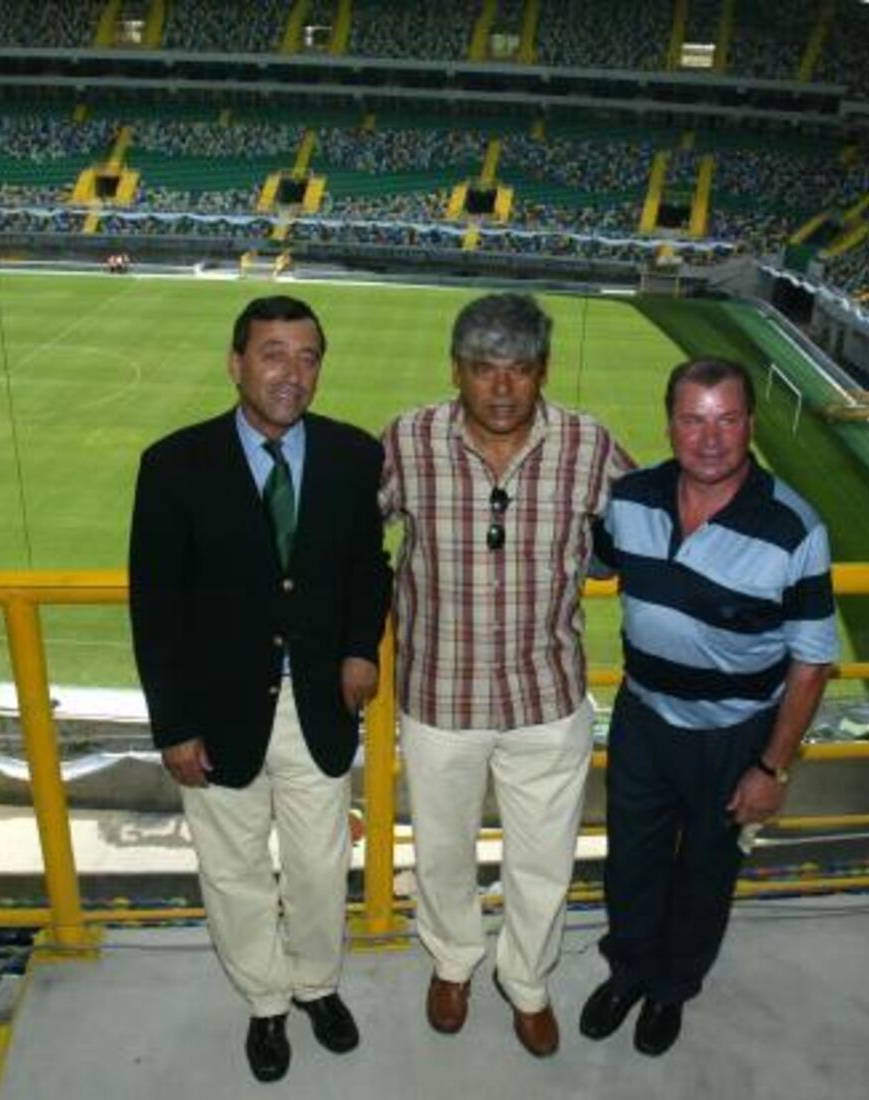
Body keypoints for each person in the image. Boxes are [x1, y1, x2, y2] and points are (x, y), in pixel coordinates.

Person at [128, 295, 391, 1083]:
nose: (292, 373)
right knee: (233, 870)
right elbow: (156, 604)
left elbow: (364, 566)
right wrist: (172, 723)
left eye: (308, 357)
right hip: (214, 714)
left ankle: (317, 985)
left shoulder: (352, 454)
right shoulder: (173, 463)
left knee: (319, 865)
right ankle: (267, 1003)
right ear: (236, 362)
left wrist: (358, 651)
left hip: (319, 706)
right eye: (273, 353)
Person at [379, 292, 633, 1058]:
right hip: (438, 694)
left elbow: (648, 523)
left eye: (518, 369)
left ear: (542, 370)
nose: (500, 387)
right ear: (455, 369)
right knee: (443, 850)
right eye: (483, 368)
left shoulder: (590, 447)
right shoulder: (408, 439)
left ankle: (526, 980)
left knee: (544, 858)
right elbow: (352, 533)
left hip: (546, 697)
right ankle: (453, 961)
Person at [580, 357, 838, 1056]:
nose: (711, 438)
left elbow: (812, 664)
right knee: (630, 861)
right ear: (670, 426)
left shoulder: (795, 528)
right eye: (693, 419)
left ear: (750, 424)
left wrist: (771, 769)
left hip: (735, 735)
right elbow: (592, 561)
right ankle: (628, 972)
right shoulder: (630, 497)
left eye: (727, 419)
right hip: (642, 716)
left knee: (704, 874)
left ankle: (671, 991)